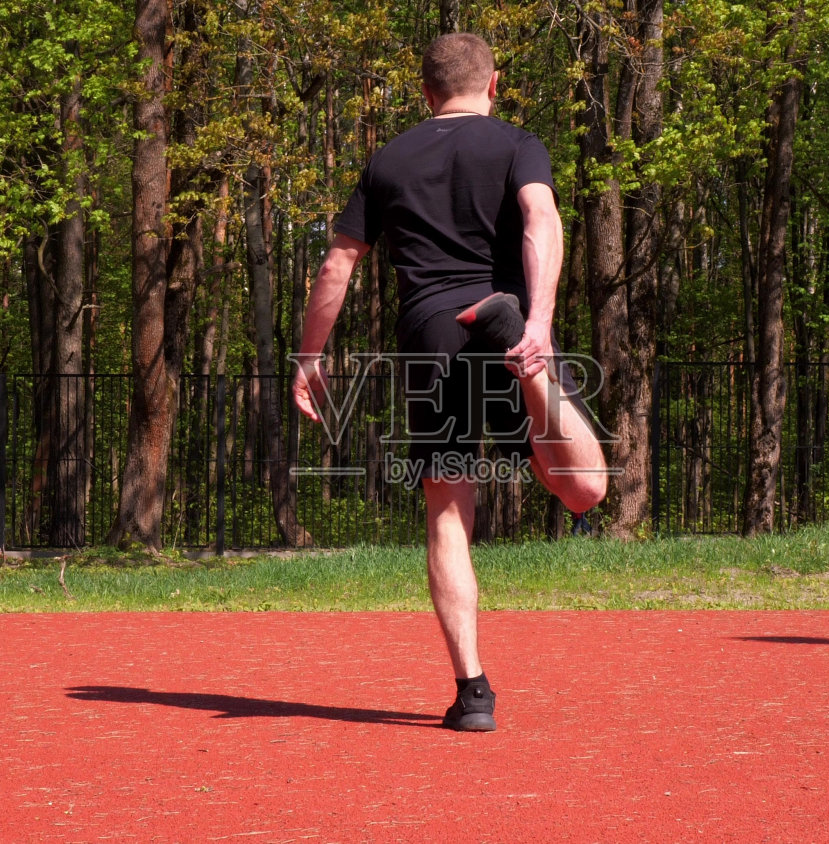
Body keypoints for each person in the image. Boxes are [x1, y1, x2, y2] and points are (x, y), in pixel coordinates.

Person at [292, 33, 608, 732]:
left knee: (449, 510)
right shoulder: (519, 144)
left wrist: (310, 357)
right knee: (584, 489)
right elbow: (540, 219)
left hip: (432, 334)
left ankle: (472, 692)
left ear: (426, 91)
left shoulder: (389, 158)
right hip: (509, 317)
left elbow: (339, 264)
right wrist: (540, 324)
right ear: (493, 85)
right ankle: (531, 374)